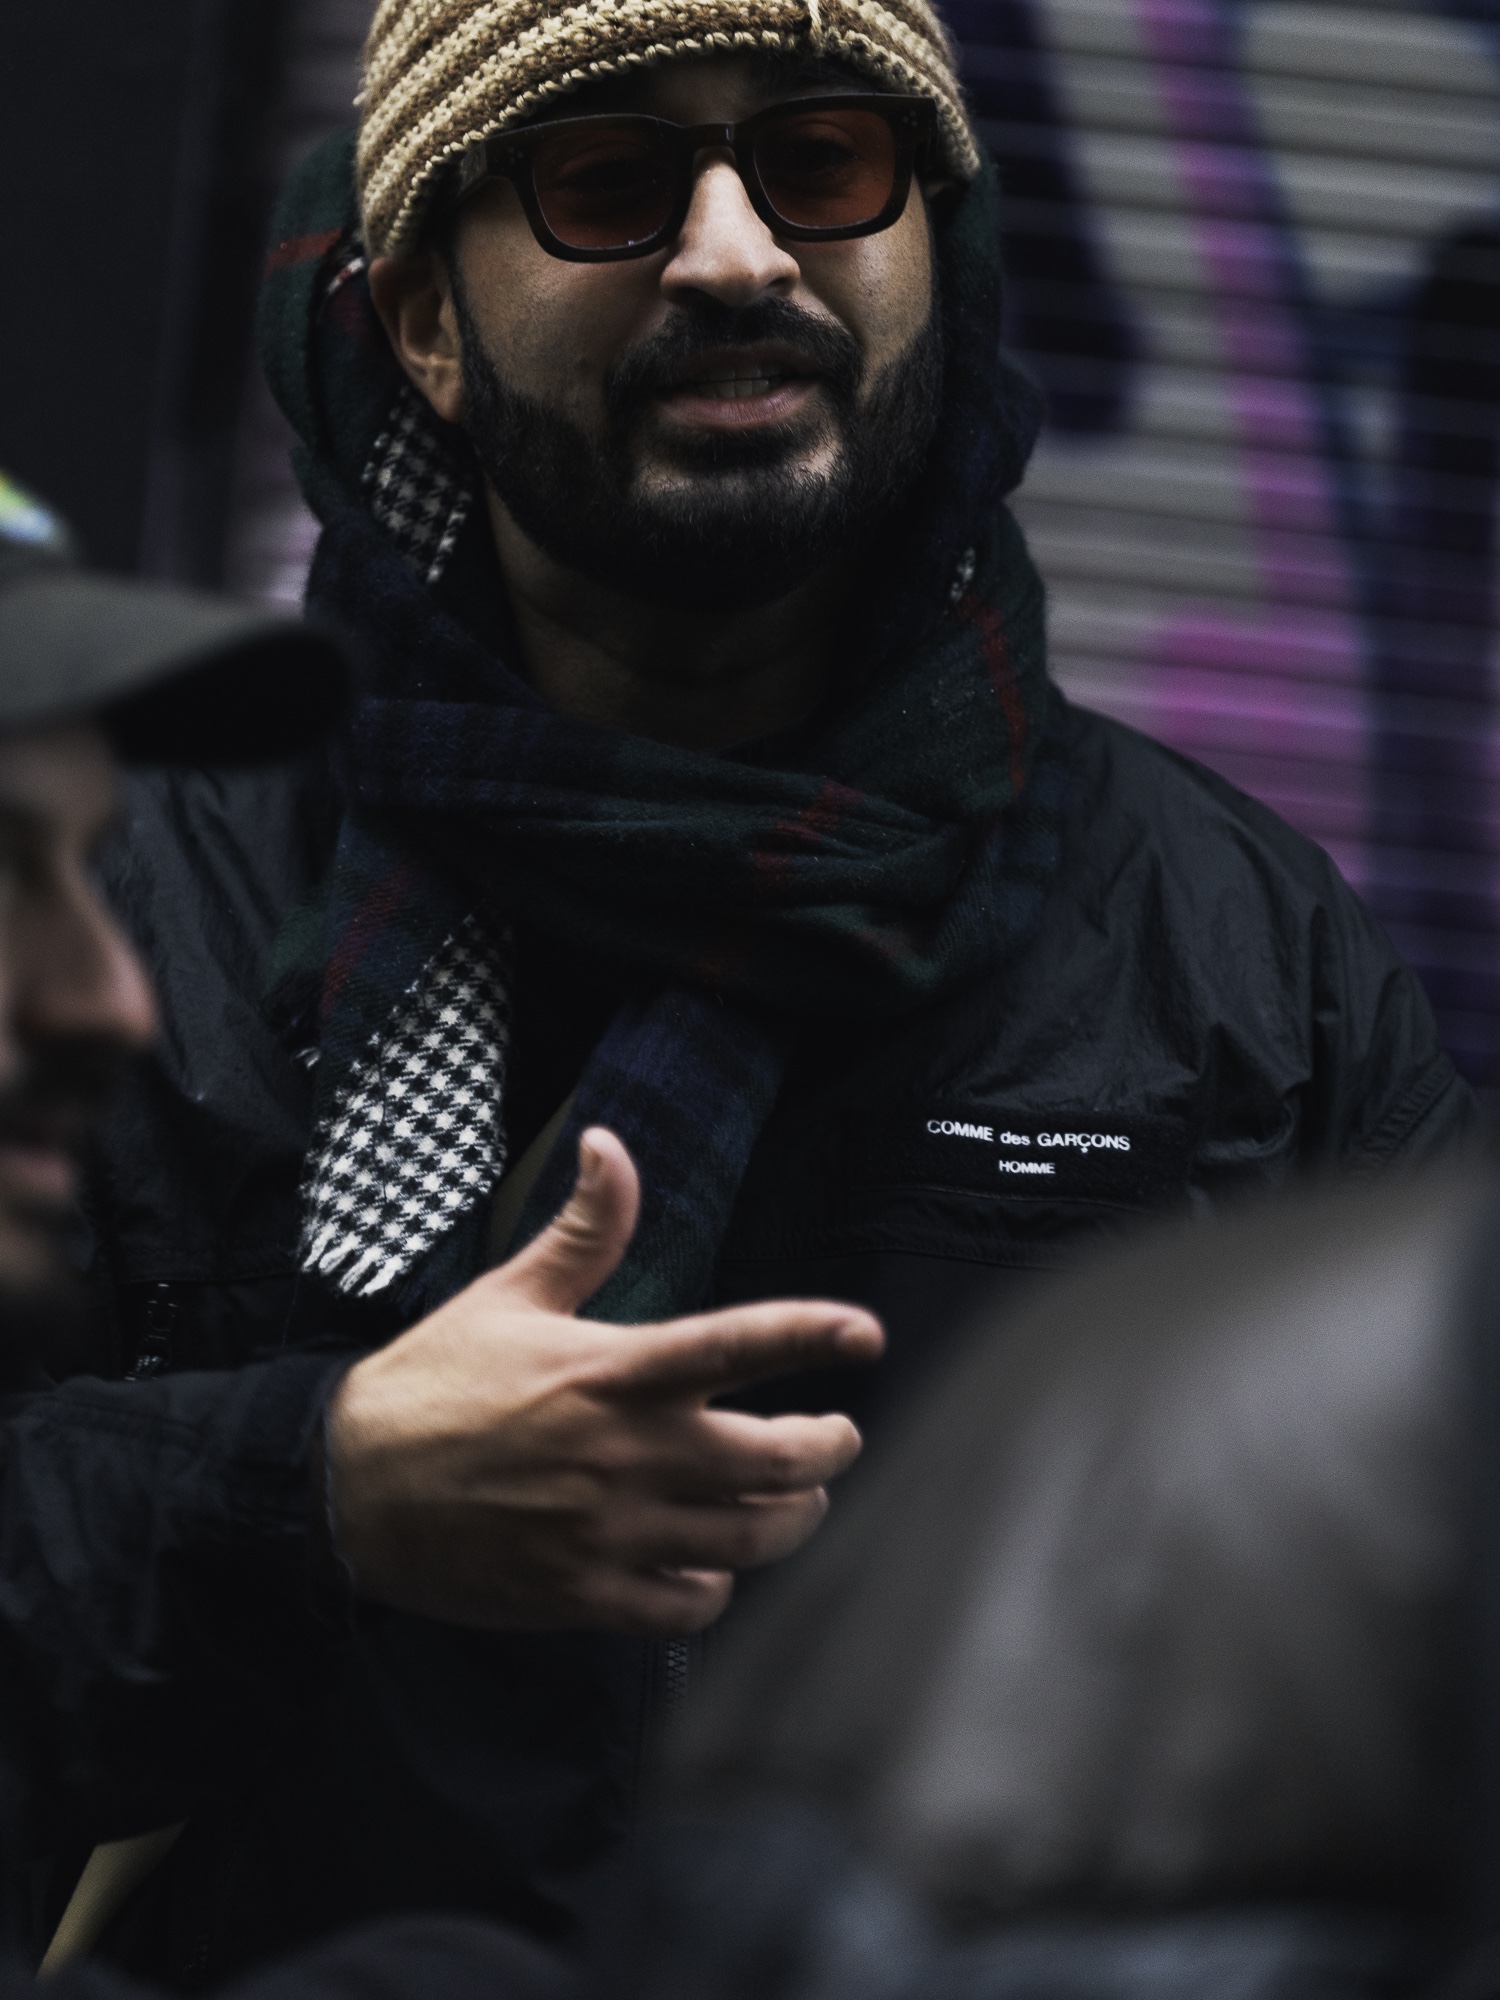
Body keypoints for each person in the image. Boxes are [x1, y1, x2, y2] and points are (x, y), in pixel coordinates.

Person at [80, 0, 1480, 1982]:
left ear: (935, 246)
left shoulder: (1244, 954)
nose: (736, 256)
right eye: (607, 182)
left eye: (824, 163)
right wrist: (312, 1482)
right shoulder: (125, 920)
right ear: (424, 323)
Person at [0, 473, 879, 1971]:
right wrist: (312, 1485)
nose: (108, 998)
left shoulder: (1225, 939)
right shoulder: (232, 882)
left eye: (85, 868)